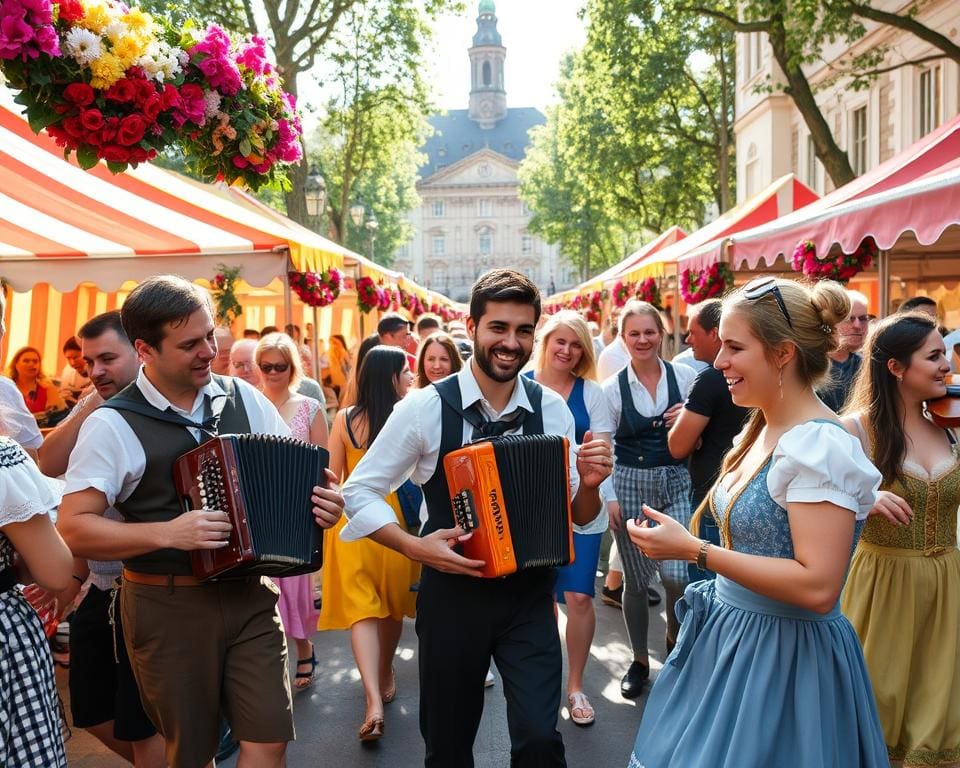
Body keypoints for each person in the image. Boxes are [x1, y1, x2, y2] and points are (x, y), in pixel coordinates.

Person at [58, 275, 345, 768]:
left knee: (269, 738)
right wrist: (169, 532)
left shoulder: (244, 398)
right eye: (190, 343)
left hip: (252, 595)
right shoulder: (112, 423)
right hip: (167, 604)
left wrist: (325, 502)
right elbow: (74, 526)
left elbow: (299, 477)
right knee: (191, 753)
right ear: (145, 349)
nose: (208, 351)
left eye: (209, 336)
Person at [341, 269, 613, 767]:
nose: (511, 342)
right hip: (452, 598)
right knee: (447, 746)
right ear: (472, 328)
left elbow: (578, 515)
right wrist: (412, 545)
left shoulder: (552, 410)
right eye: (499, 328)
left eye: (524, 330)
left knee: (539, 740)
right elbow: (358, 490)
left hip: (530, 597)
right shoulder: (424, 408)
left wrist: (591, 486)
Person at [624, 277, 886, 767]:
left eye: (734, 347)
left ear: (783, 352)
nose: (718, 361)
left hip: (786, 661)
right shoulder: (764, 424)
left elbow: (818, 586)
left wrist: (693, 550)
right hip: (733, 642)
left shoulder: (818, 445)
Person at [38, 311, 166, 767]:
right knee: (91, 709)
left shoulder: (161, 403)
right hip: (101, 581)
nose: (95, 370)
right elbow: (46, 462)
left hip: (146, 586)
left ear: (140, 350)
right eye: (89, 361)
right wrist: (93, 402)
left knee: (143, 717)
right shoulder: (96, 401)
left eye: (107, 358)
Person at [841, 312, 960, 767]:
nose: (946, 365)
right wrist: (859, 499)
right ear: (895, 367)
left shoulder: (950, 424)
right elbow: (786, 489)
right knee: (878, 709)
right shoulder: (853, 430)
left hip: (947, 589)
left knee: (938, 719)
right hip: (880, 591)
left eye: (945, 354)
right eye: (933, 356)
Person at [319, 346, 420, 741]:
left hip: (353, 519)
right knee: (392, 609)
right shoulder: (407, 416)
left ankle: (373, 698)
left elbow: (333, 475)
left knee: (363, 612)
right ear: (392, 377)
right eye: (405, 370)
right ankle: (384, 673)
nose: (410, 376)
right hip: (394, 522)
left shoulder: (344, 419)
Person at [601, 299, 697, 699]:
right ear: (623, 339)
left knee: (678, 574)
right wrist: (608, 498)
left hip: (675, 479)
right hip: (631, 484)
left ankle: (673, 642)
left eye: (650, 331)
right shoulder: (611, 389)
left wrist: (686, 422)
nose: (643, 339)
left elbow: (701, 439)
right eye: (634, 333)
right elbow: (604, 445)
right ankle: (640, 660)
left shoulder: (686, 377)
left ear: (662, 334)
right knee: (637, 582)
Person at [526, 310, 613, 727]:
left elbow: (602, 452)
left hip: (583, 503)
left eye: (576, 344)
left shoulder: (591, 393)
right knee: (539, 598)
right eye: (560, 341)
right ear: (545, 342)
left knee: (578, 596)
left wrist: (606, 499)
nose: (567, 350)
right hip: (534, 506)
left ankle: (575, 686)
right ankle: (542, 679)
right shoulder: (520, 385)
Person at [255, 332, 329, 691]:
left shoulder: (309, 408)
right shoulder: (253, 405)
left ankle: (304, 648)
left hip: (298, 511)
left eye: (279, 366)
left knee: (295, 588)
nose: (272, 372)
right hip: (261, 510)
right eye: (266, 366)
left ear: (292, 368)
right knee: (267, 587)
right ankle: (272, 660)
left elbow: (324, 466)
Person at [667, 299, 749, 580]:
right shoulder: (761, 377)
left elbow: (677, 446)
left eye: (693, 332)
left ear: (715, 333)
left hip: (713, 498)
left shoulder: (712, 380)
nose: (687, 339)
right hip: (749, 498)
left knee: (706, 593)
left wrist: (689, 425)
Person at [818, 289, 869, 412]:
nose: (857, 326)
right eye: (849, 319)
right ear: (830, 322)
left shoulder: (869, 364)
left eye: (863, 318)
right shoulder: (812, 364)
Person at [8, 346, 67, 417]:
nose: (31, 364)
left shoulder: (48, 389)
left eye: (35, 361)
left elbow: (57, 418)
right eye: (26, 361)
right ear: (16, 364)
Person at [59, 335, 91, 406]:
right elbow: (64, 394)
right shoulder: (68, 371)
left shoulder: (96, 369)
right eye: (68, 358)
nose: (72, 363)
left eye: (76, 357)